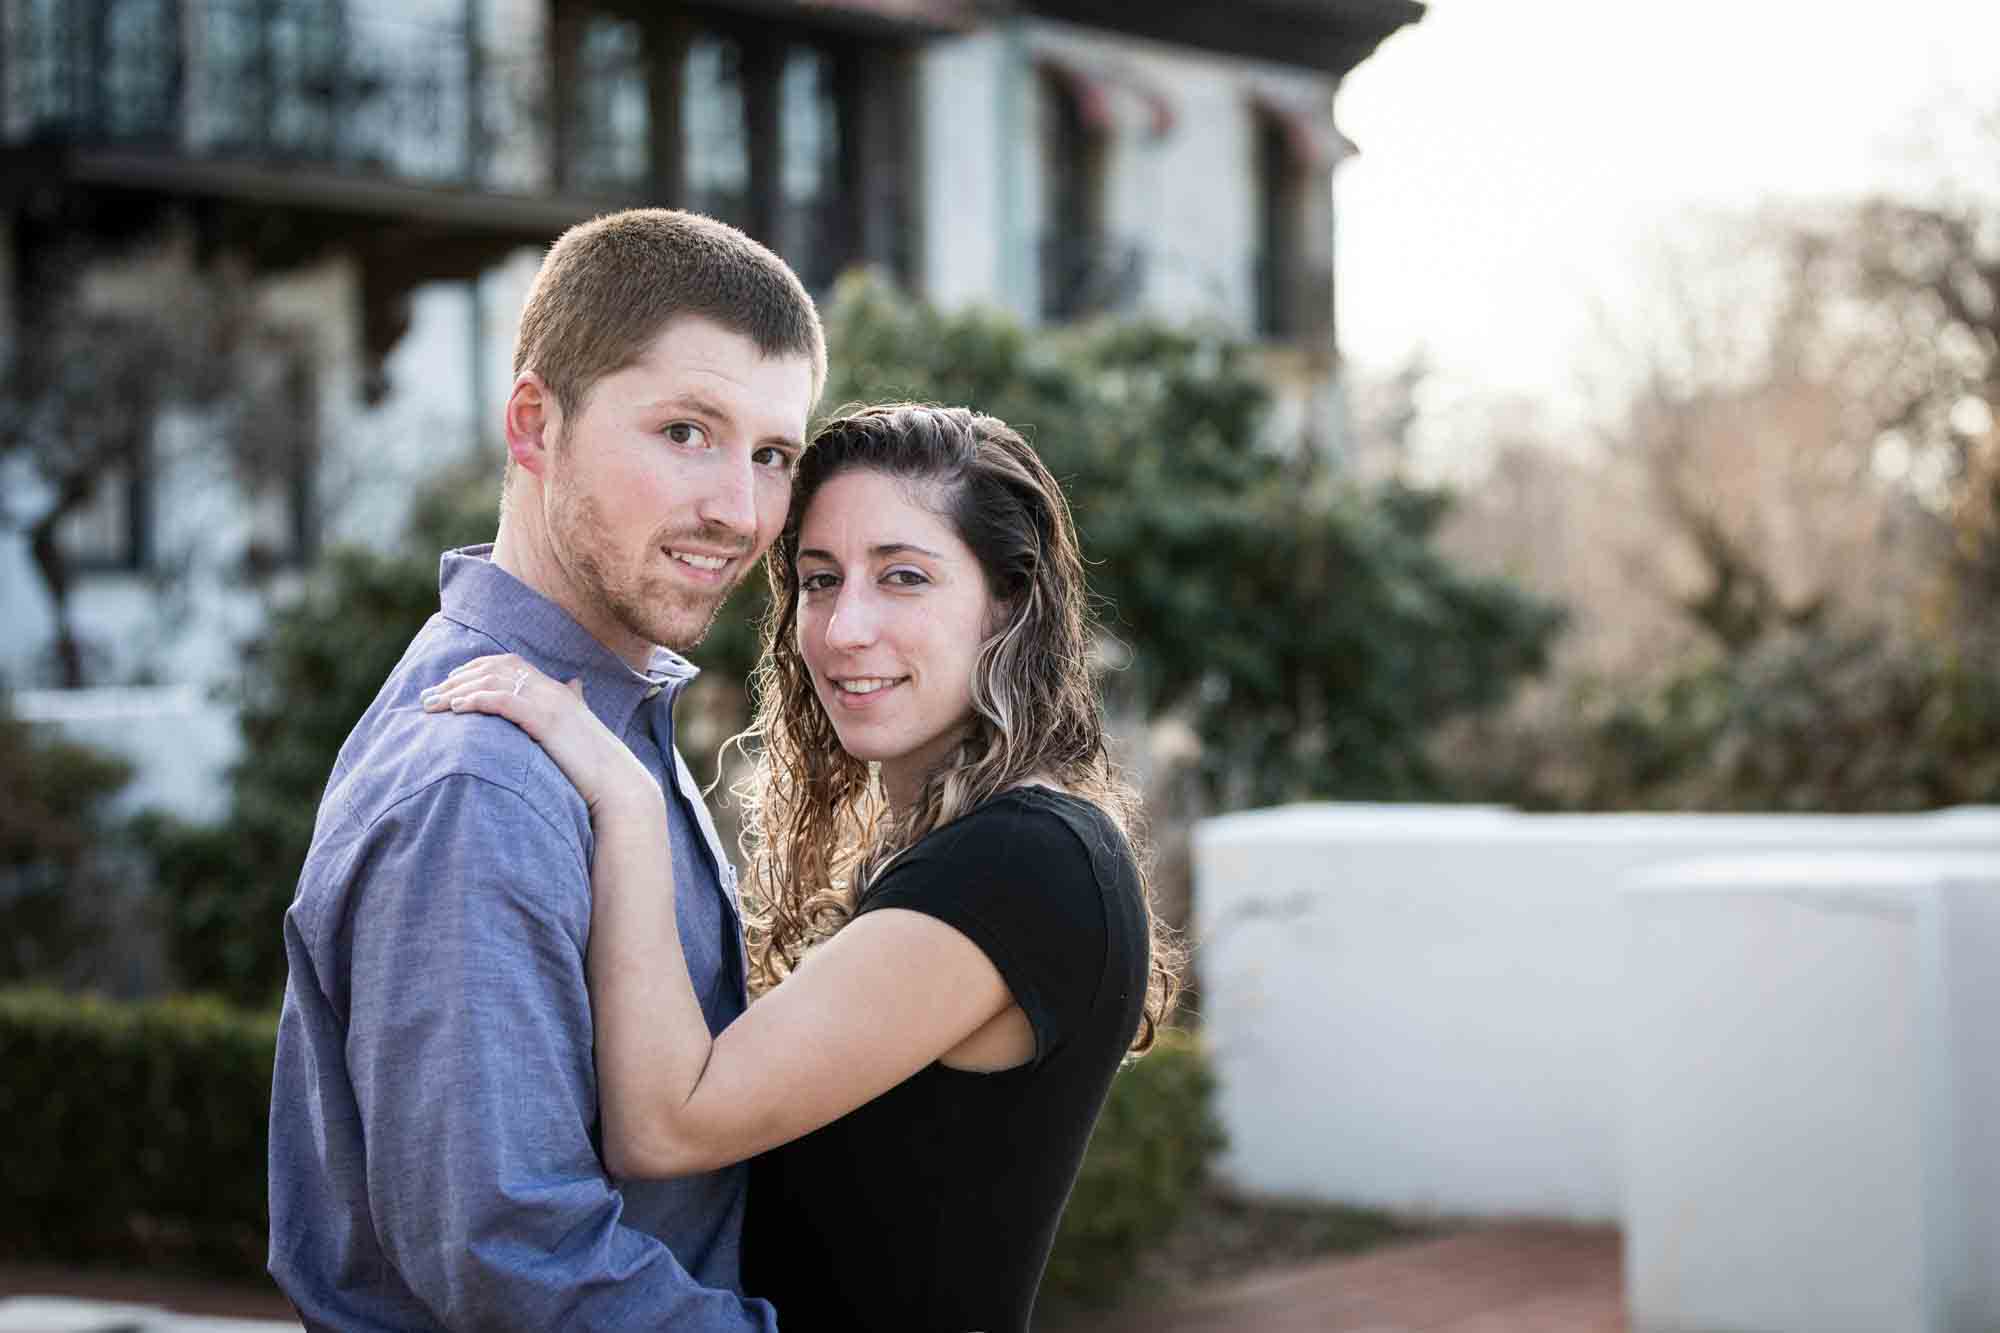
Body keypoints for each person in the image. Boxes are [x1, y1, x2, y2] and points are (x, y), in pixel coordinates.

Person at [423, 403, 1182, 1331]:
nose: (844, 627)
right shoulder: (964, 848)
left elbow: (668, 1123)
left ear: (1009, 603)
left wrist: (622, 798)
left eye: (904, 577)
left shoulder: (1022, 863)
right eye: (820, 581)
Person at [266, 208, 824, 1331]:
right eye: (685, 432)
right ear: (533, 424)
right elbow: (519, 1266)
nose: (740, 509)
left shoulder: (603, 723)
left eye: (771, 453)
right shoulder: (485, 783)